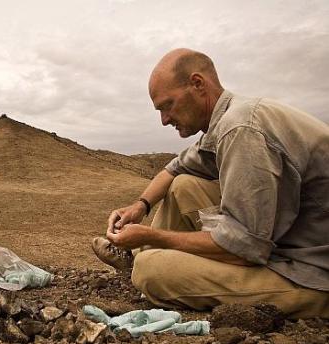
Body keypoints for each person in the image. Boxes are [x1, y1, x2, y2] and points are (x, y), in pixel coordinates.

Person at [93, 48, 329, 318]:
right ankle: (139, 261)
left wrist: (153, 236)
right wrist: (140, 206)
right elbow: (174, 170)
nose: (164, 120)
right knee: (183, 185)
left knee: (151, 271)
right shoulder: (231, 118)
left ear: (197, 84)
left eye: (167, 105)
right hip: (289, 241)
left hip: (314, 272)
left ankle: (143, 265)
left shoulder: (240, 129)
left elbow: (244, 248)